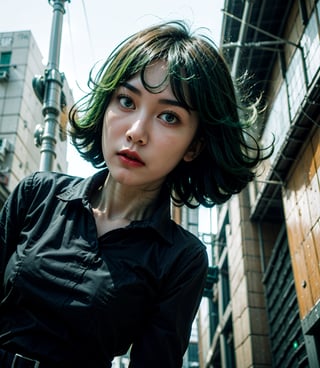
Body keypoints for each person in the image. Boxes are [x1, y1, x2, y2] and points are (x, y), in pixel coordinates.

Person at [0, 20, 271, 367]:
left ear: (194, 147)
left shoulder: (181, 259)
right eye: (126, 100)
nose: (137, 132)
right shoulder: (36, 195)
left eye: (169, 117)